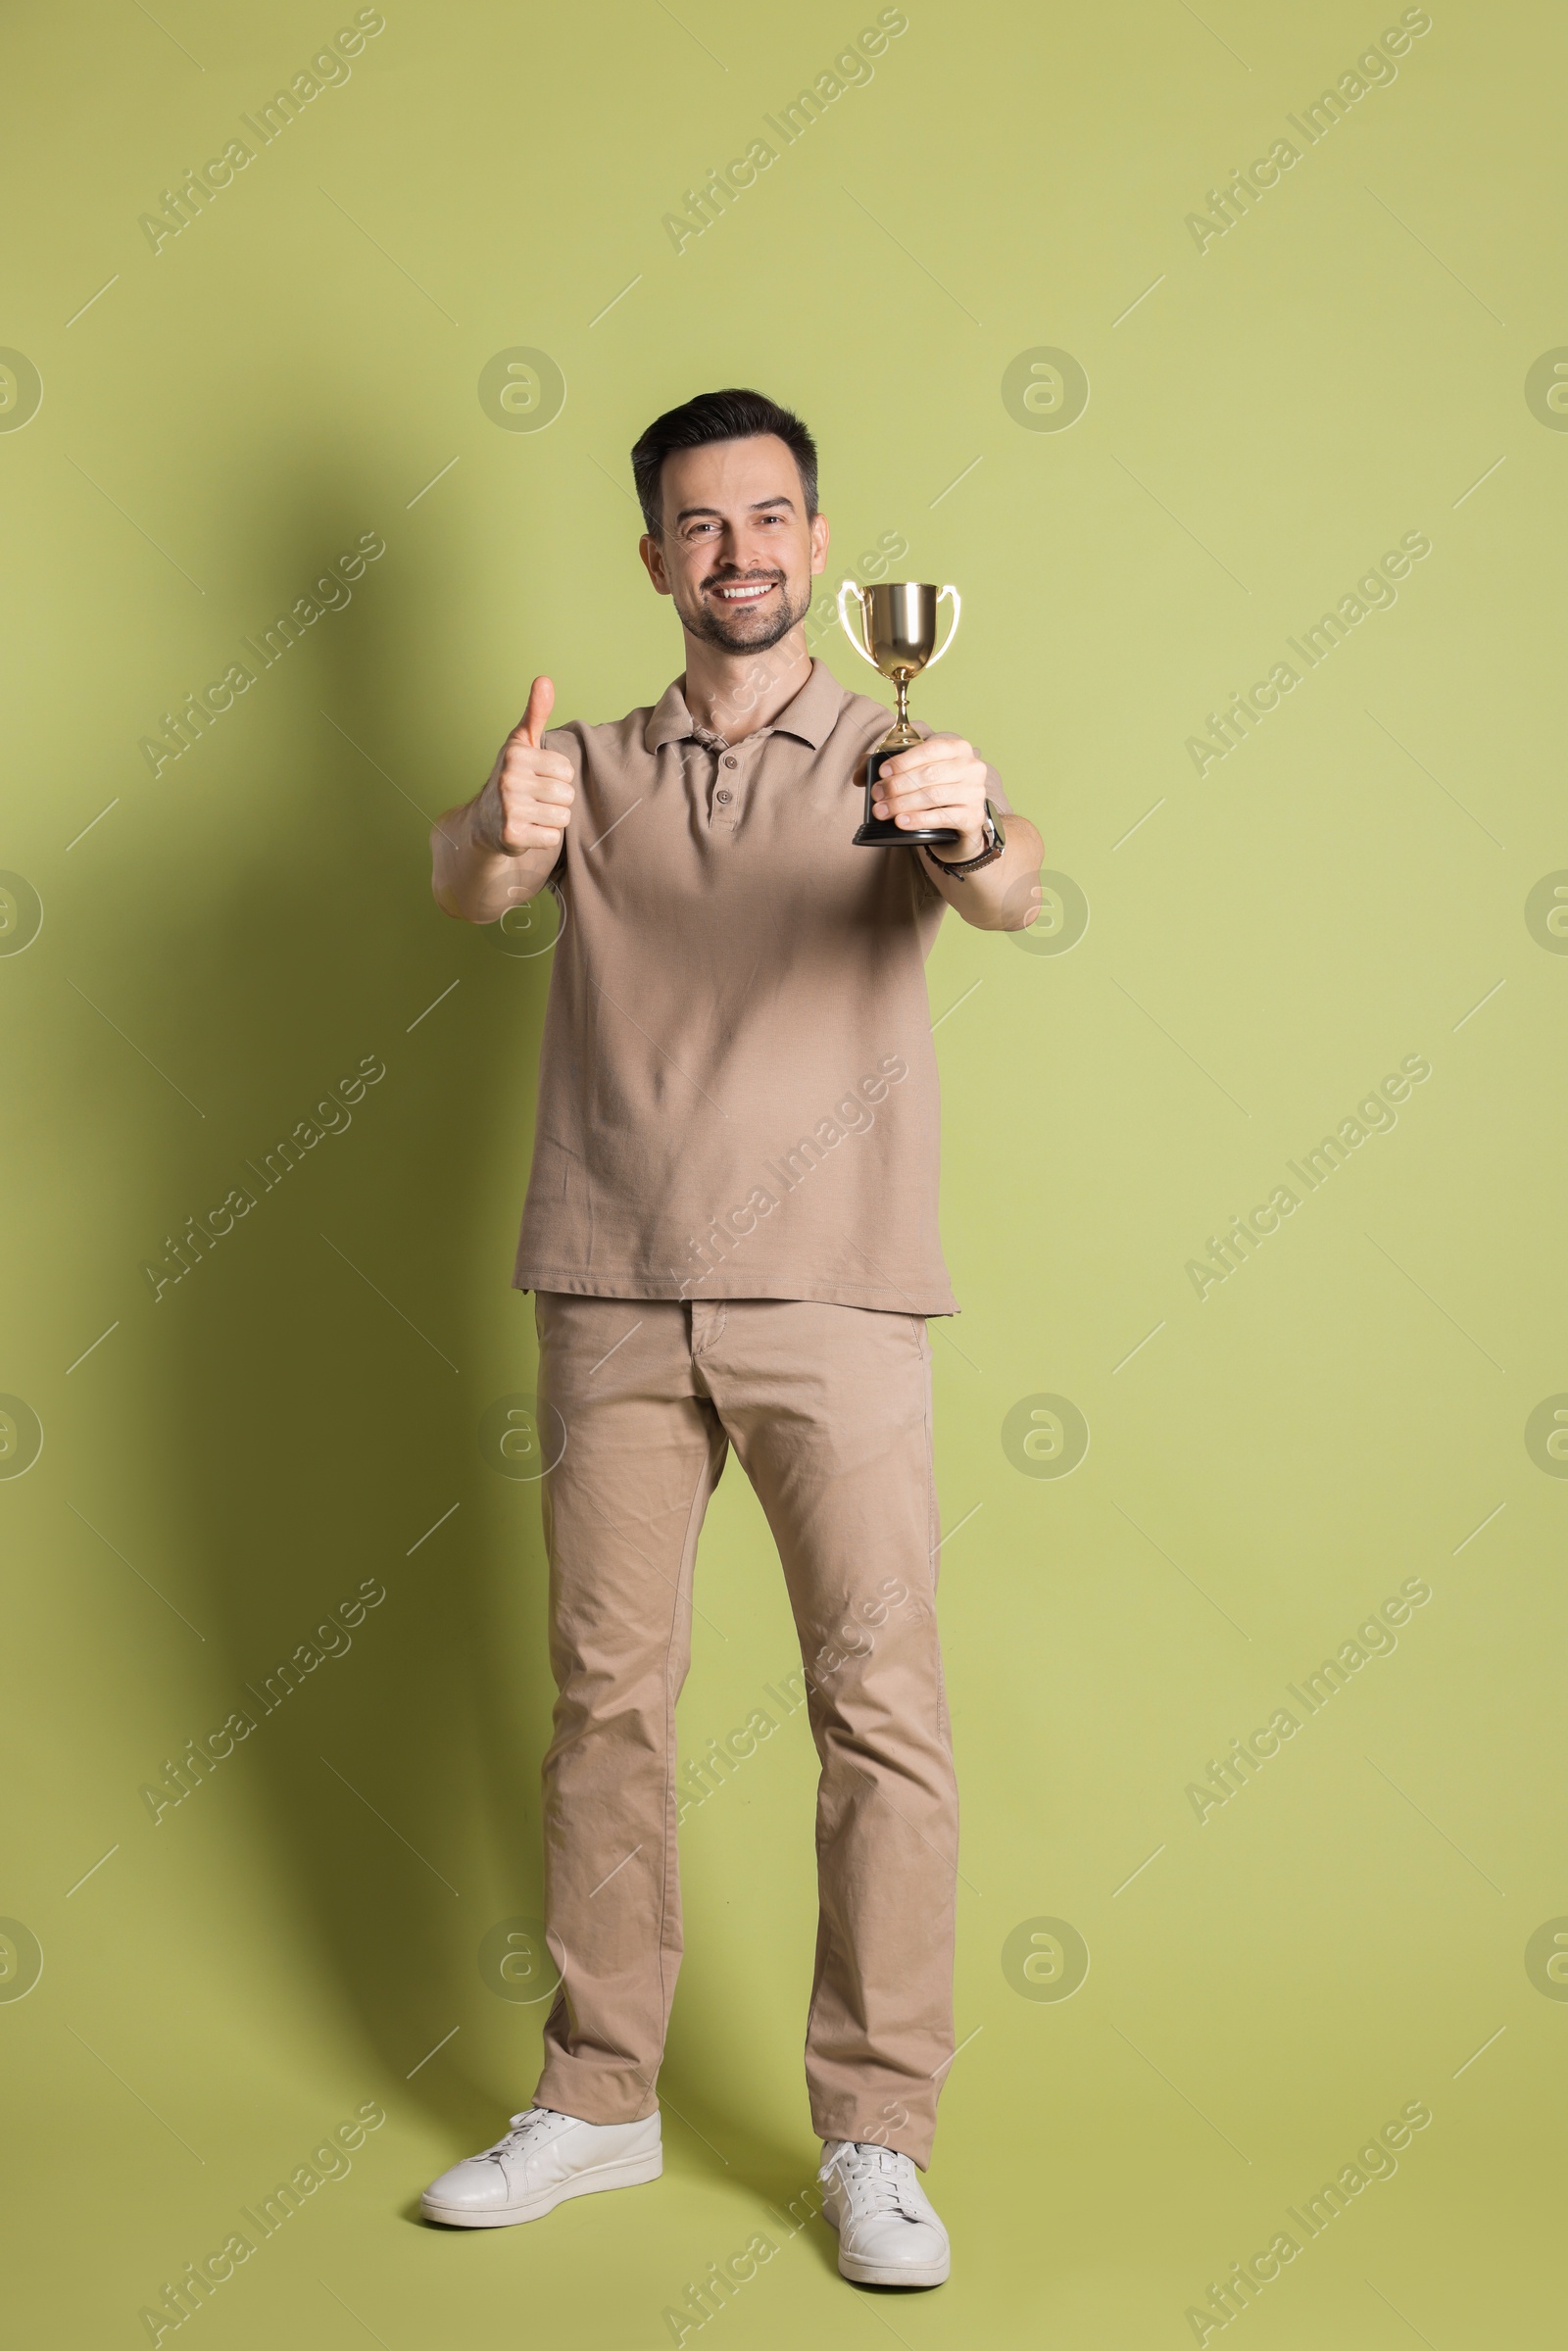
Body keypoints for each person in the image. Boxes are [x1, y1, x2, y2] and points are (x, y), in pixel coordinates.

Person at [419, 388, 1041, 2287]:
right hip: (607, 1289)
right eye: (701, 527)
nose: (742, 556)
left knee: (881, 1720)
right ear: (653, 560)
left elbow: (1007, 885)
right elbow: (472, 883)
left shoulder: (889, 748)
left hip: (836, 1302)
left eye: (770, 521)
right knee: (604, 1710)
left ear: (819, 541)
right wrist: (489, 815)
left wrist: (975, 817)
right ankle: (600, 2097)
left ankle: (875, 2136)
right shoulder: (586, 765)